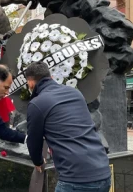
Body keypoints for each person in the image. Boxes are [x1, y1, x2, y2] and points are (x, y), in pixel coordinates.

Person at [25, 62, 111, 192]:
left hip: (76, 179)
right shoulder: (75, 93)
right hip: (103, 171)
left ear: (30, 83)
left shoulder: (37, 103)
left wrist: (38, 162)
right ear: (51, 77)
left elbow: (33, 141)